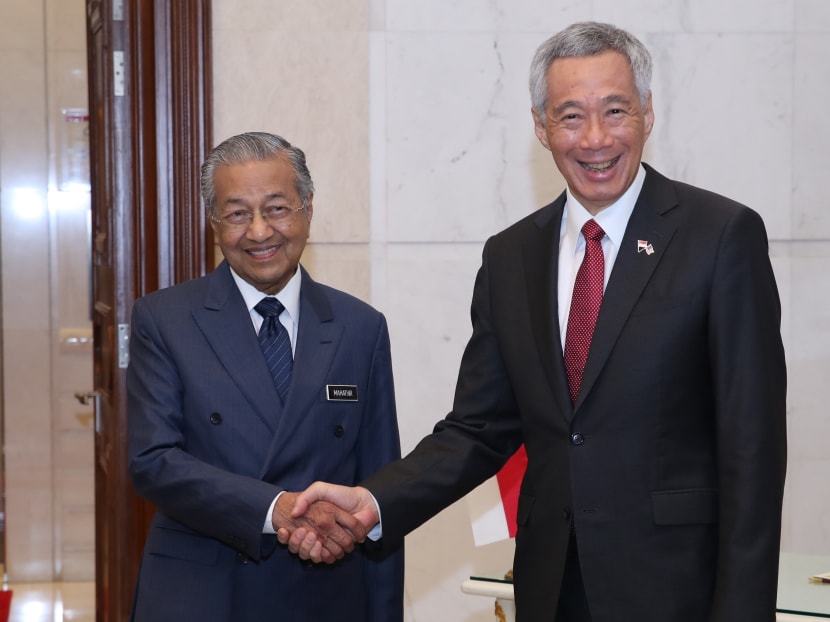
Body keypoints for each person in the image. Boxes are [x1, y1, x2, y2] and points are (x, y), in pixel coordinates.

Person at [281, 21, 787, 622]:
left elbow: (752, 448)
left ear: (648, 113)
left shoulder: (720, 236)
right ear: (541, 127)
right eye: (571, 116)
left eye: (616, 110)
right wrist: (372, 501)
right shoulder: (511, 255)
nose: (595, 138)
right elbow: (478, 429)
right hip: (551, 589)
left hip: (678, 590)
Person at [126, 131, 404, 621]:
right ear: (214, 223)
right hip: (202, 592)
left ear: (308, 209)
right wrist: (275, 508)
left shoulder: (360, 327)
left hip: (324, 592)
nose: (258, 232)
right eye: (237, 213)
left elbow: (379, 491)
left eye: (277, 208)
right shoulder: (164, 319)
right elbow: (153, 460)